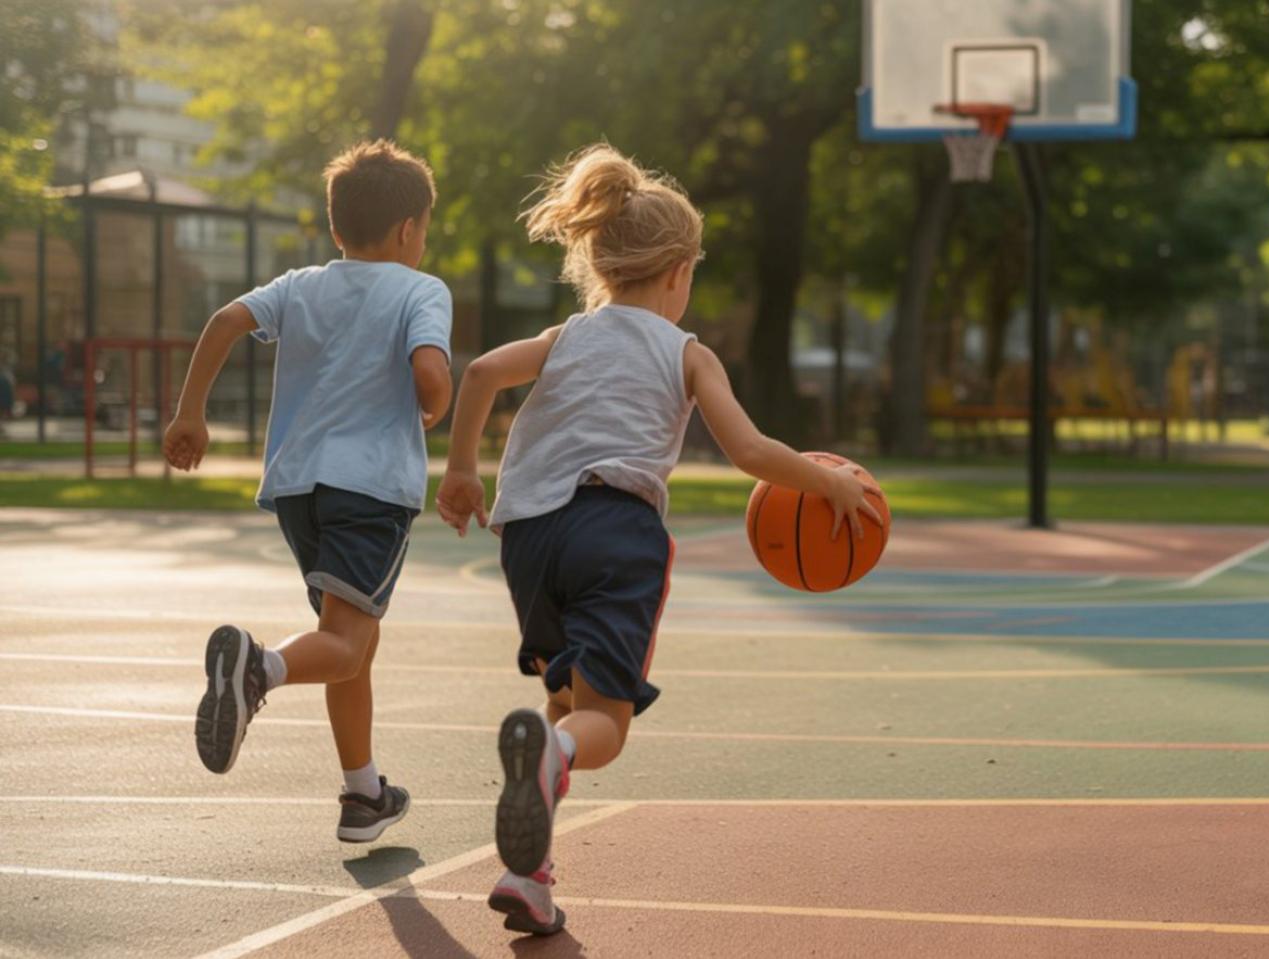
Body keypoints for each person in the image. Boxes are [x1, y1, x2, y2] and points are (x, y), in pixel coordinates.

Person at [435, 144, 881, 936]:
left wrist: (462, 470)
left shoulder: (565, 335)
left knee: (564, 696)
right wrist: (829, 483)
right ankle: (550, 756)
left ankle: (528, 874)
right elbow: (749, 452)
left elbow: (477, 376)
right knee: (601, 725)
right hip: (617, 530)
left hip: (529, 535)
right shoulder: (686, 351)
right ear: (678, 270)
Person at [162, 140, 453, 843]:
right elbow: (430, 374)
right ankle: (258, 668)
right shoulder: (422, 290)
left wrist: (190, 411)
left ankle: (364, 792)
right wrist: (435, 402)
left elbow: (226, 319)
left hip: (298, 488)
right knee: (346, 643)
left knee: (350, 638)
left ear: (336, 227)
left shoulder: (300, 283)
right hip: (372, 486)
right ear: (410, 229)